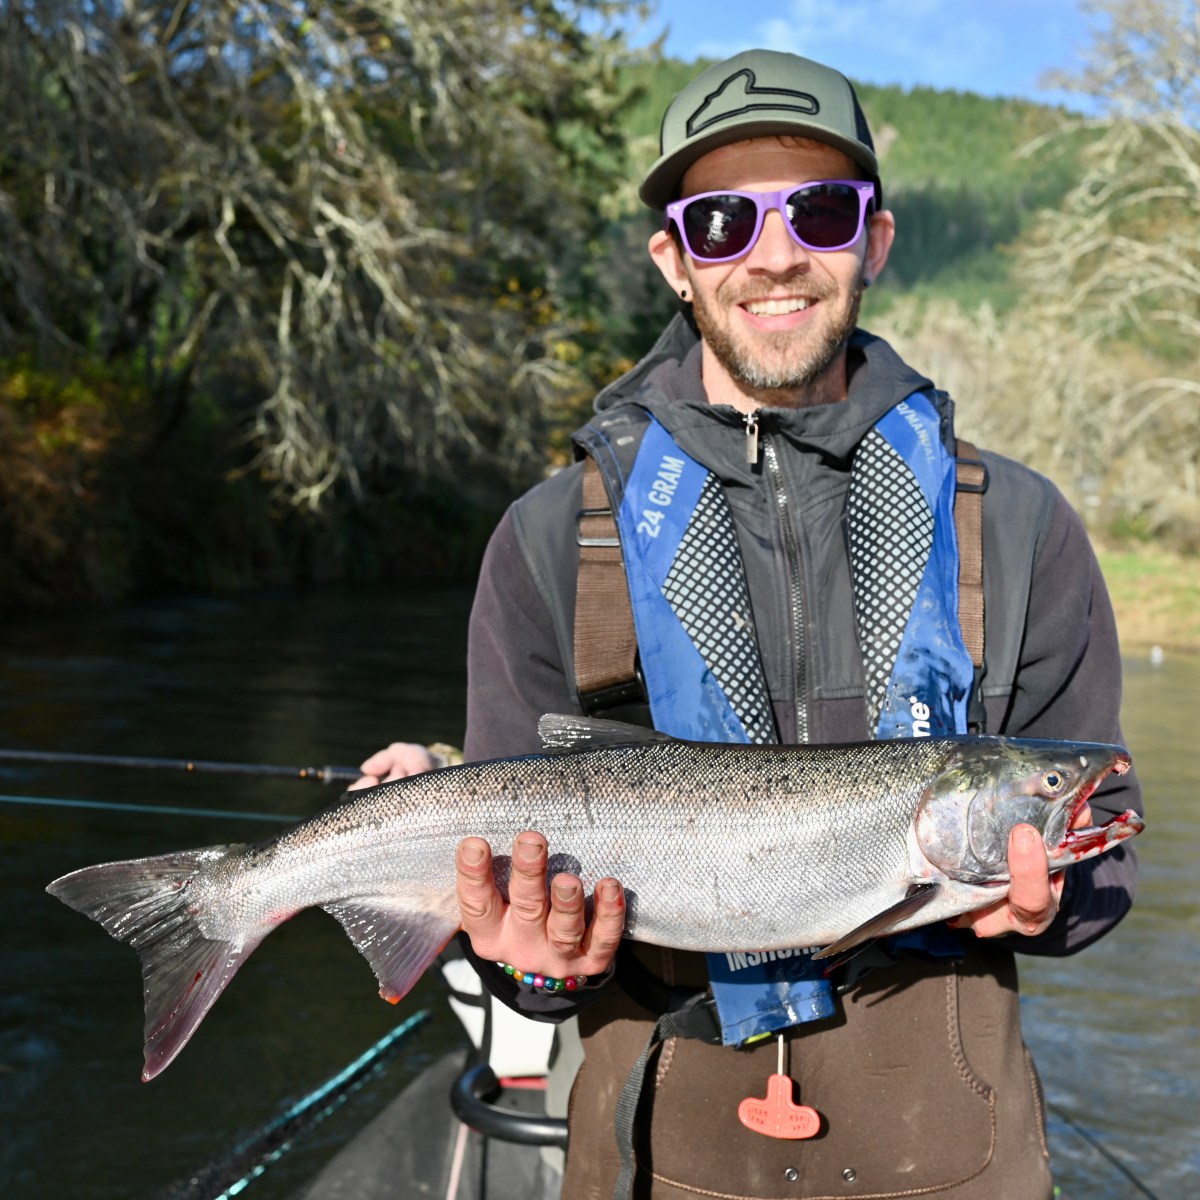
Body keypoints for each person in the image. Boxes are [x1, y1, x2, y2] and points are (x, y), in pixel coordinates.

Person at [357, 49, 1142, 1200]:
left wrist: (1054, 896)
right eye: (724, 220)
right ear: (674, 260)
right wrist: (530, 968)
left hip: (952, 1142)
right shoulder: (545, 539)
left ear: (874, 240)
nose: (776, 255)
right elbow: (523, 953)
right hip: (651, 1146)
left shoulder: (1019, 526)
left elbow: (1104, 845)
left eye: (821, 213)